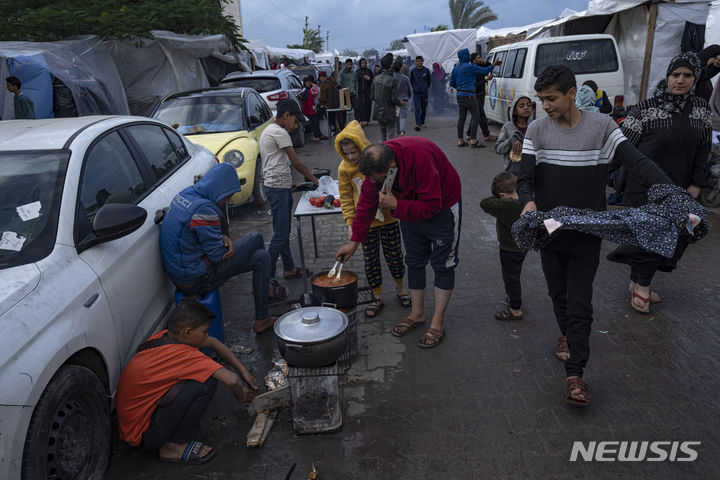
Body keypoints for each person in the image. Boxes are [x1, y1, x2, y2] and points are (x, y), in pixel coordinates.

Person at [517, 64, 672, 407]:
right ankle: (566, 335)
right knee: (558, 294)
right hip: (549, 231)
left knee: (580, 302)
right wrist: (528, 203)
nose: (545, 106)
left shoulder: (602, 126)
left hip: (588, 232)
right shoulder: (537, 131)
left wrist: (672, 191)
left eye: (551, 98)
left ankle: (576, 374)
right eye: (541, 99)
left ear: (572, 94)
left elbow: (638, 162)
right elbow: (525, 177)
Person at [607, 52, 712, 314]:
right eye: (675, 74)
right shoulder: (645, 109)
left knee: (675, 237)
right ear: (667, 77)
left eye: (687, 75)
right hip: (643, 187)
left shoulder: (701, 109)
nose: (680, 80)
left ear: (695, 78)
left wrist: (696, 184)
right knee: (651, 238)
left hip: (679, 188)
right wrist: (594, 176)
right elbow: (622, 148)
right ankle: (642, 286)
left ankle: (636, 281)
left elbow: (703, 150)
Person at [335, 137, 461, 349]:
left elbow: (432, 205)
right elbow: (366, 204)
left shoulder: (421, 159)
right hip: (409, 212)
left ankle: (437, 323)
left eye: (377, 179)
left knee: (443, 265)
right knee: (414, 261)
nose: (374, 183)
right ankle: (417, 314)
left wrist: (396, 204)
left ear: (391, 167)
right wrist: (354, 242)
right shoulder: (377, 166)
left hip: (442, 209)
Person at [116, 298, 258, 465]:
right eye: (204, 331)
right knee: (206, 383)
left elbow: (212, 342)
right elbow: (232, 380)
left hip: (130, 426)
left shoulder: (164, 336)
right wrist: (241, 395)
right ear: (187, 332)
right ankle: (173, 447)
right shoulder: (186, 356)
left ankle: (171, 435)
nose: (207, 335)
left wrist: (244, 372)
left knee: (200, 377)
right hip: (144, 435)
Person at [159, 162, 281, 334]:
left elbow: (196, 234)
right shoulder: (204, 209)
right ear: (219, 189)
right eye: (227, 196)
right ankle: (263, 291)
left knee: (262, 258)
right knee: (255, 237)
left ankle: (262, 309)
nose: (228, 201)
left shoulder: (187, 194)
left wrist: (221, 238)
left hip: (184, 273)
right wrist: (226, 243)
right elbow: (217, 256)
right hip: (196, 280)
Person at [335, 120, 411, 317]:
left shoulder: (376, 163)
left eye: (354, 152)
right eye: (346, 153)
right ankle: (376, 296)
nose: (351, 157)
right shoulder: (344, 170)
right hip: (365, 224)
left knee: (394, 256)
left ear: (362, 147)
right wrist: (350, 223)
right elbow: (345, 198)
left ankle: (401, 288)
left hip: (388, 219)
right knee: (371, 261)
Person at [260, 98, 319, 284]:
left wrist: (290, 185)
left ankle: (289, 268)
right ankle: (266, 277)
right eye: (295, 121)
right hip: (277, 188)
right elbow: (297, 162)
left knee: (282, 231)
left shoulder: (269, 130)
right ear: (286, 116)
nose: (295, 126)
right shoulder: (280, 132)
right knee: (280, 234)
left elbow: (277, 162)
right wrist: (314, 179)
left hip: (276, 186)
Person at [480, 172, 526, 321]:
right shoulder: (525, 202)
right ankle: (512, 297)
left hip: (509, 248)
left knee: (511, 277)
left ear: (503, 195)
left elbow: (485, 203)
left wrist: (501, 198)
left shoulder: (507, 206)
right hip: (522, 246)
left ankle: (515, 309)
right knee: (514, 274)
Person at [450, 48, 499, 147]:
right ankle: (473, 139)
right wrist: (494, 64)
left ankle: (460, 140)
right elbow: (485, 70)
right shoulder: (470, 67)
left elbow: (452, 83)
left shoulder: (455, 68)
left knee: (461, 118)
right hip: (470, 96)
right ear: (466, 56)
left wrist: (460, 89)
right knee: (476, 116)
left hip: (459, 96)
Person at [495, 96, 532, 175]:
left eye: (528, 105)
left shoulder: (534, 127)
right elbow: (498, 149)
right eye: (522, 106)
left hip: (531, 171)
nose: (526, 107)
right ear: (514, 111)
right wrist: (511, 141)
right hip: (512, 172)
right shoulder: (507, 127)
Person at [465, 53, 497, 143]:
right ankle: (486, 135)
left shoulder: (479, 65)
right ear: (474, 60)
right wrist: (486, 80)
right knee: (481, 115)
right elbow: (475, 84)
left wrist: (484, 61)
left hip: (481, 93)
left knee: (476, 115)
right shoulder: (473, 69)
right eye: (478, 58)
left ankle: (469, 133)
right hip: (476, 94)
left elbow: (489, 66)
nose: (480, 59)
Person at [371, 53, 401, 141]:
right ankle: (389, 153)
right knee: (390, 137)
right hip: (389, 112)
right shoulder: (392, 80)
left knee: (383, 136)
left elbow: (372, 96)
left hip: (378, 111)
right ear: (391, 66)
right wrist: (400, 103)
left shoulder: (376, 79)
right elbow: (394, 99)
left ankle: (382, 153)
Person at [299, 76, 326, 142]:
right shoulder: (305, 90)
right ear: (304, 83)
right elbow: (300, 95)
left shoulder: (308, 89)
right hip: (308, 110)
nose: (308, 84)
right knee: (315, 123)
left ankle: (318, 135)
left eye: (309, 82)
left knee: (315, 123)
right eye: (307, 83)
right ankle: (317, 136)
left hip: (312, 109)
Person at [409, 56, 431, 130]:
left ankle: (422, 122)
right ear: (416, 62)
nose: (419, 62)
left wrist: (425, 88)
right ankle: (418, 124)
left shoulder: (426, 70)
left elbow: (429, 82)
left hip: (424, 93)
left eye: (420, 61)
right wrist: (415, 88)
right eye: (417, 61)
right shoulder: (413, 71)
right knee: (417, 109)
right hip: (416, 93)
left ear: (422, 61)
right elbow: (411, 82)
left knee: (424, 109)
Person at [392, 57, 412, 137]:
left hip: (394, 100)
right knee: (403, 116)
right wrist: (409, 96)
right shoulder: (405, 78)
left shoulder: (391, 78)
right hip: (404, 100)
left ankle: (398, 131)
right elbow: (409, 89)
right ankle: (402, 132)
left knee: (396, 116)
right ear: (401, 67)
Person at [355, 58, 374, 125]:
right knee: (360, 107)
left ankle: (368, 120)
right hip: (360, 92)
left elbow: (373, 81)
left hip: (367, 92)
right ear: (360, 64)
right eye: (362, 63)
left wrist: (369, 79)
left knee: (368, 106)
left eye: (364, 63)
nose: (363, 64)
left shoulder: (369, 71)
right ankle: (361, 121)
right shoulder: (357, 72)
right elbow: (355, 82)